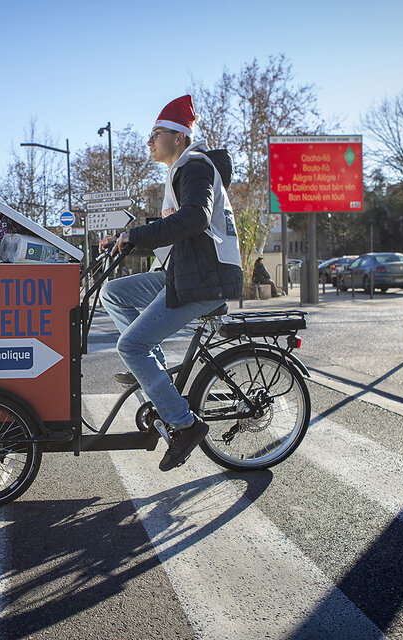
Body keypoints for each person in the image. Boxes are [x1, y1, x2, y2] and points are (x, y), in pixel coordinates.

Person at [98, 95, 242, 472]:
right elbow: (174, 229)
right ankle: (155, 372)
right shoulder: (178, 172)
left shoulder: (194, 167)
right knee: (113, 292)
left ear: (179, 138)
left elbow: (194, 218)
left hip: (205, 279)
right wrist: (124, 240)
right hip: (184, 273)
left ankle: (184, 424)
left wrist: (138, 235)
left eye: (156, 133)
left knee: (131, 344)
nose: (149, 141)